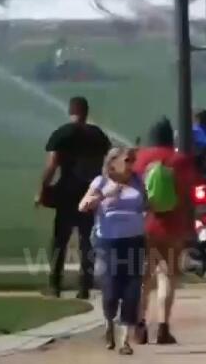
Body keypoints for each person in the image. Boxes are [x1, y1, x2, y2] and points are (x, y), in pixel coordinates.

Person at [37, 96, 111, 299]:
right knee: (86, 240)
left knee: (60, 240)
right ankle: (84, 286)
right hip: (90, 192)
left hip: (66, 192)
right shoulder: (98, 136)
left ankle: (54, 285)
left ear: (70, 111)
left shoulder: (61, 134)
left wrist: (41, 188)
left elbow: (52, 165)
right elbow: (105, 166)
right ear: (86, 112)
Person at [133, 118, 197, 346]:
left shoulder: (140, 160)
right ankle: (163, 327)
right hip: (173, 225)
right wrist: (190, 227)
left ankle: (139, 326)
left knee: (143, 278)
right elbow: (189, 195)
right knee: (166, 276)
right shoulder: (180, 160)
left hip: (144, 223)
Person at [80, 147, 147, 354]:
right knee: (110, 291)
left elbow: (146, 204)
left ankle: (125, 340)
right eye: (127, 160)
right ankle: (109, 322)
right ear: (112, 164)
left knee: (132, 290)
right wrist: (105, 195)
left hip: (134, 241)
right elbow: (83, 206)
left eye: (132, 161)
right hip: (108, 243)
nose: (131, 165)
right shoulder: (100, 182)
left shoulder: (137, 181)